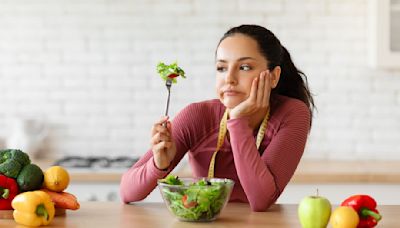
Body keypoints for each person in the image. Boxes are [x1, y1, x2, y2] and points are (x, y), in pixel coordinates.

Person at [120, 24, 314, 211]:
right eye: (221, 68)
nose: (229, 78)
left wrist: (238, 122)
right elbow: (126, 192)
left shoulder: (292, 114)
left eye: (245, 67)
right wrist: (158, 165)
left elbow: (261, 201)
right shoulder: (198, 116)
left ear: (273, 77)